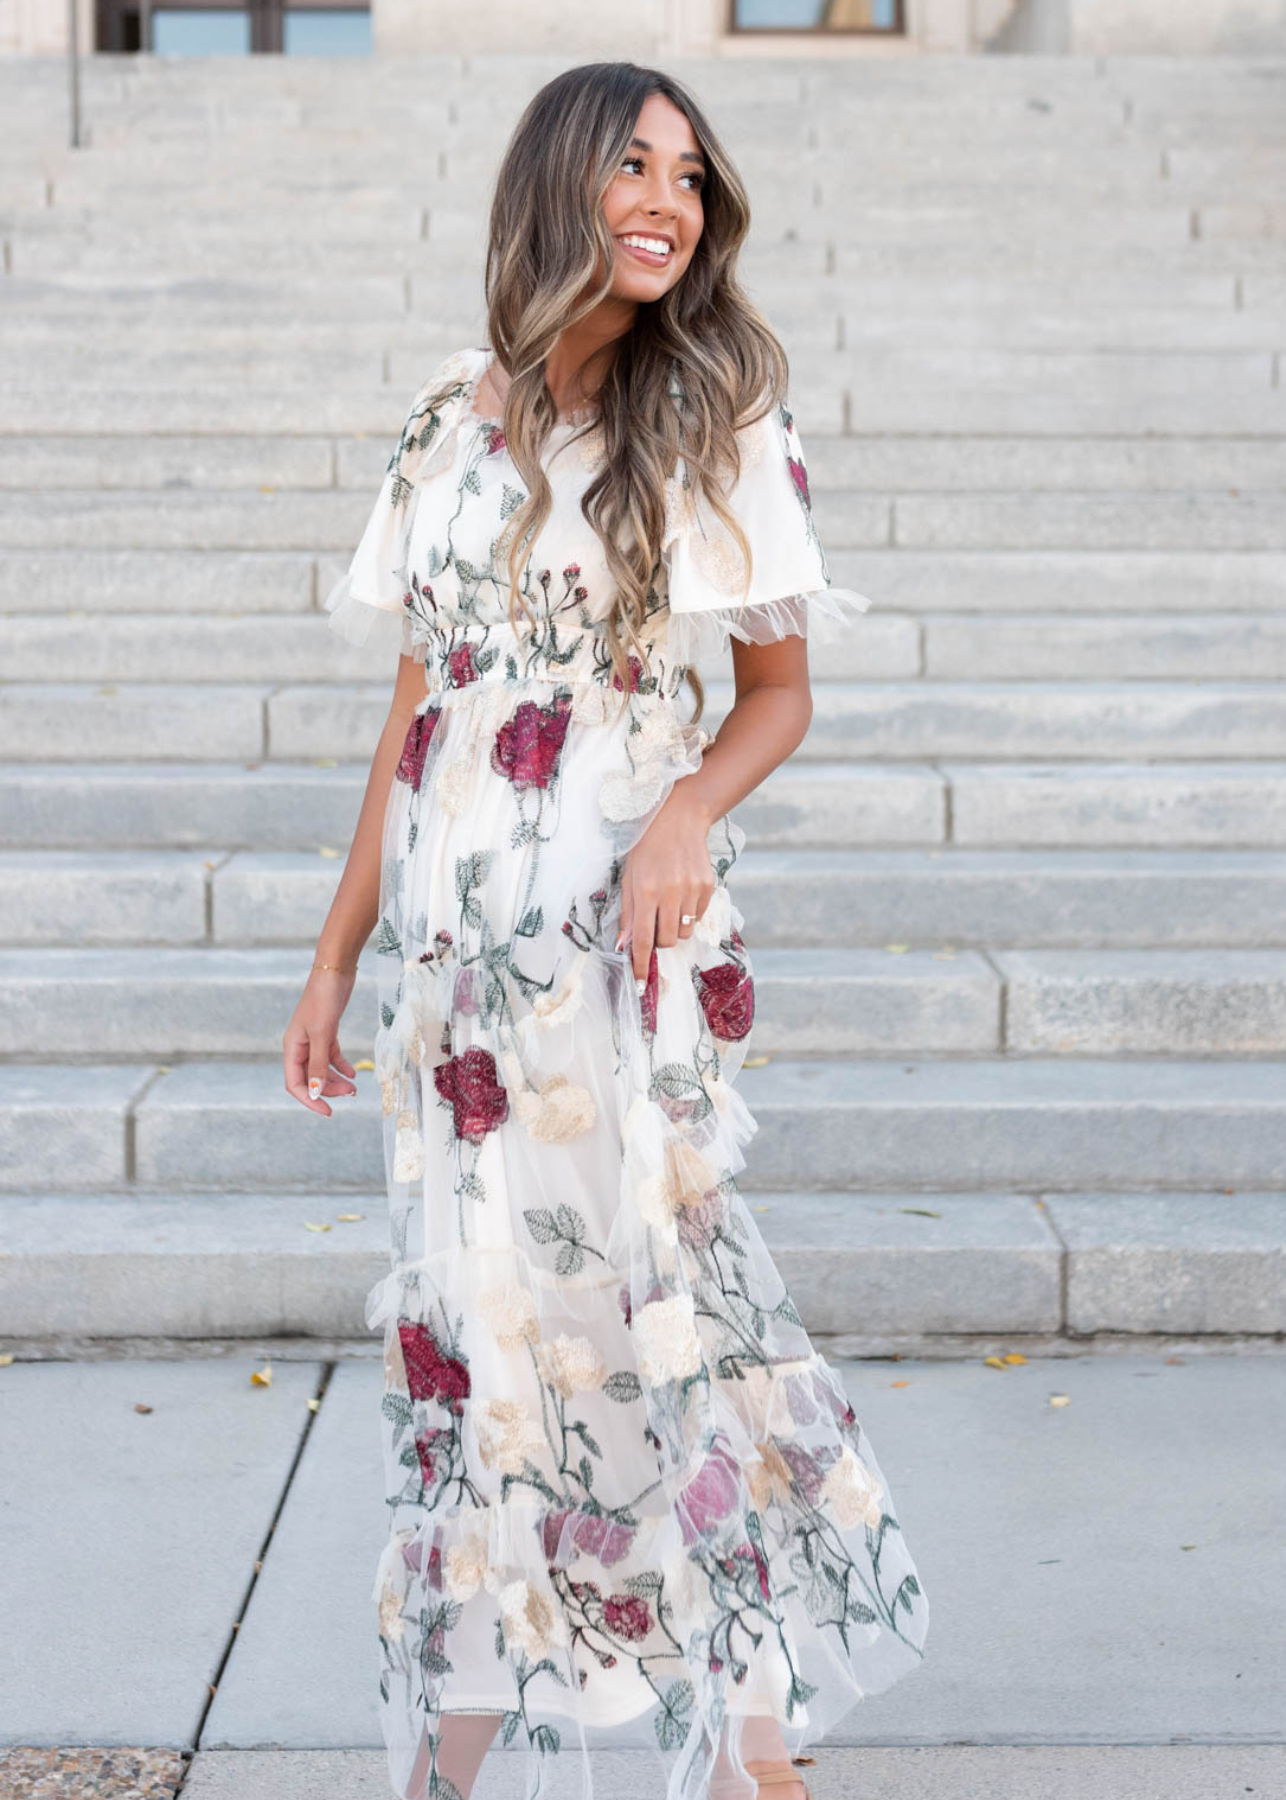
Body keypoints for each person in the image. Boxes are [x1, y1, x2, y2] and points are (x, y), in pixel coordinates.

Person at [282, 60, 928, 1800]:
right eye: (635, 166)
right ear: (558, 183)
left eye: (692, 179)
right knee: (485, 1329)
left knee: (658, 1306)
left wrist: (686, 817)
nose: (667, 201)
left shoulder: (713, 410)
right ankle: (454, 1750)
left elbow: (777, 693)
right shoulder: (444, 421)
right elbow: (416, 717)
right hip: (453, 981)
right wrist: (338, 952)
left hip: (614, 941)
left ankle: (751, 1740)